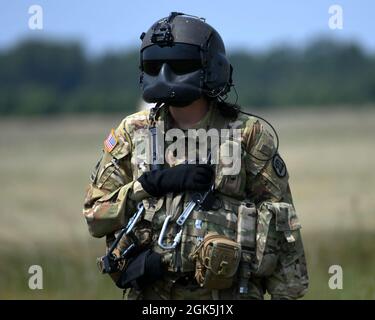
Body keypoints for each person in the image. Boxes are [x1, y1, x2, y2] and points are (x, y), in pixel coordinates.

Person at [82, 12, 308, 300]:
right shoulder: (133, 131)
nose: (165, 74)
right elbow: (94, 216)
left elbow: (281, 220)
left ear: (210, 67)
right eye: (154, 65)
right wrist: (150, 185)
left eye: (181, 65)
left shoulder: (247, 134)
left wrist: (286, 294)